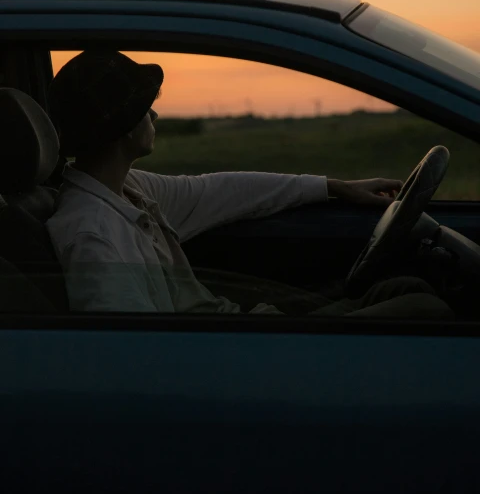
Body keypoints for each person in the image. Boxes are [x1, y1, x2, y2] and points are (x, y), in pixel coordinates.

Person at [46, 50, 453, 320]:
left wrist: (335, 187)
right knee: (424, 309)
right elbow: (130, 354)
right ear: (118, 127)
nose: (154, 113)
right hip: (233, 356)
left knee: (404, 288)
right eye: (141, 106)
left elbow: (221, 192)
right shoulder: (91, 233)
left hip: (241, 333)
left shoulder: (127, 189)